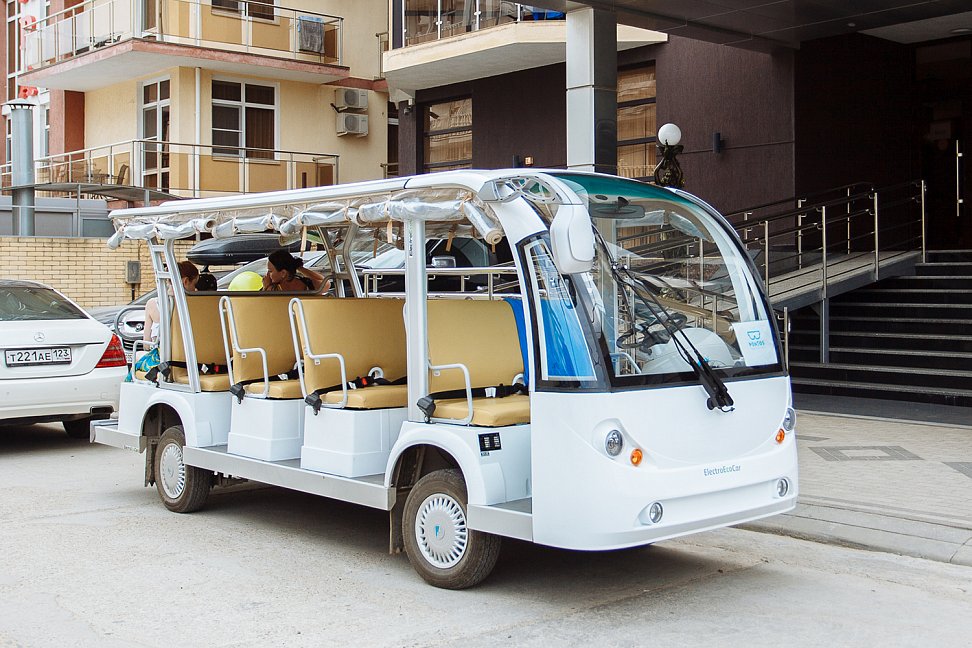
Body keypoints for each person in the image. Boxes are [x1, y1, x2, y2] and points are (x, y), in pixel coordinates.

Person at [143, 260, 199, 344]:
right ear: (186, 281)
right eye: (195, 284)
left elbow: (146, 344)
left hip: (161, 351)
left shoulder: (153, 304)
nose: (195, 289)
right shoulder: (196, 304)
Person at [262, 250, 329, 292]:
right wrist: (300, 268)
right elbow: (325, 284)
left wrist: (266, 287)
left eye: (270, 271)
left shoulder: (273, 289)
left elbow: (326, 284)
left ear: (283, 273)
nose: (267, 274)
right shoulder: (307, 284)